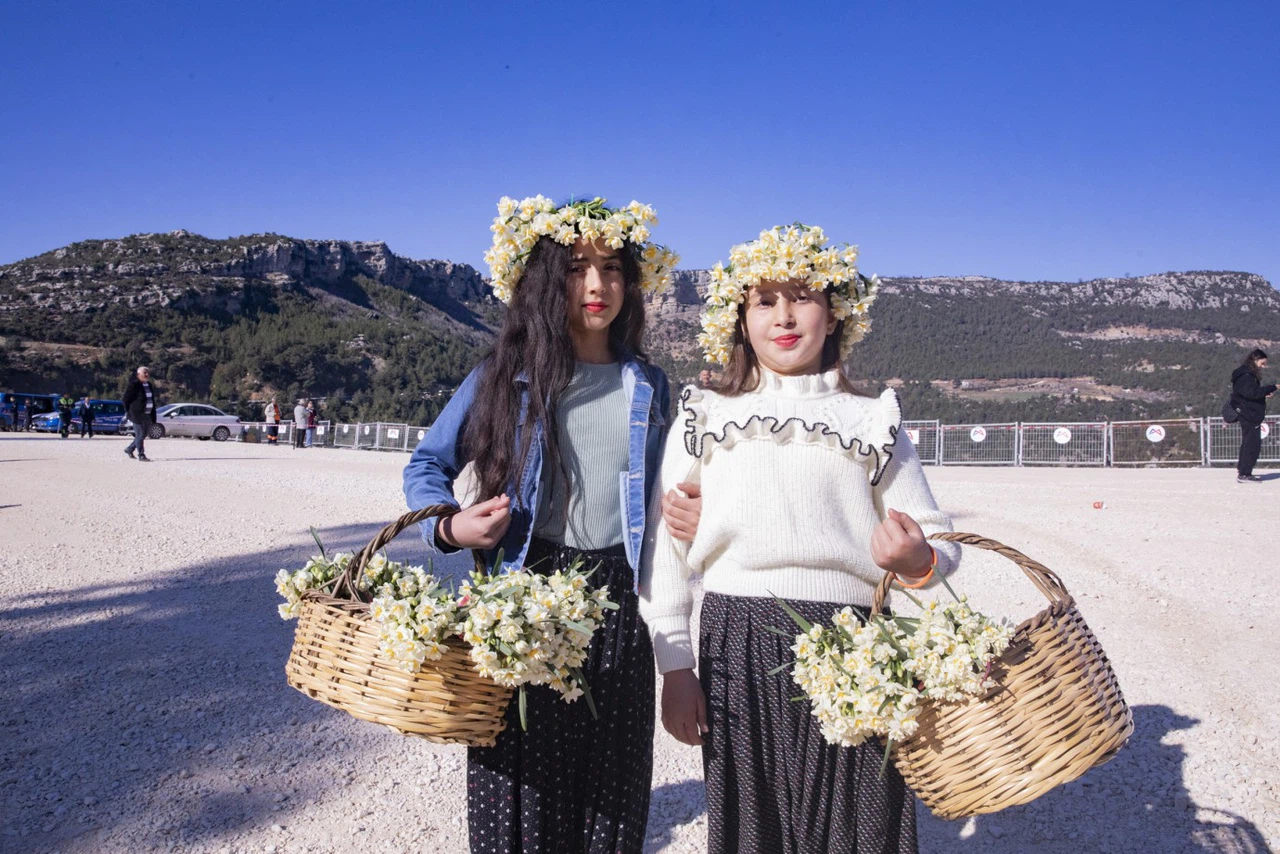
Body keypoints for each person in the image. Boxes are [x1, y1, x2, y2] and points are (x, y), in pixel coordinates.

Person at [640, 224, 961, 854]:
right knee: (755, 828)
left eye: (804, 297)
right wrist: (676, 667)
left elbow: (941, 545)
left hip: (855, 645)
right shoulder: (705, 416)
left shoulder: (874, 421)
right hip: (737, 642)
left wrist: (917, 558)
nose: (784, 317)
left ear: (836, 314)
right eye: (764, 301)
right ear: (739, 318)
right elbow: (668, 553)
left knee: (859, 828)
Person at [403, 194, 682, 854]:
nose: (596, 285)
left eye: (612, 268)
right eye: (575, 267)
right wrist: (450, 526)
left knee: (610, 794)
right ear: (542, 280)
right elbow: (427, 463)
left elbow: (673, 492)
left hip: (618, 608)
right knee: (520, 793)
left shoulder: (650, 384)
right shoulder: (504, 374)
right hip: (524, 598)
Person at [1231, 348, 1276, 483]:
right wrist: (1271, 387)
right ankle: (1245, 473)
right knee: (1252, 444)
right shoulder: (1247, 376)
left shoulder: (1243, 374)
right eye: (1262, 363)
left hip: (1245, 412)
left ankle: (1243, 471)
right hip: (1249, 414)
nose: (1263, 366)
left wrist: (1263, 394)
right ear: (1255, 360)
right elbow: (1251, 393)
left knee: (1248, 443)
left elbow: (1249, 393)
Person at [122, 367, 158, 462]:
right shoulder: (134, 385)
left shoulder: (148, 384)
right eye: (144, 373)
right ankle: (141, 455)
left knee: (143, 435)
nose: (147, 375)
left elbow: (151, 400)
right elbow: (125, 399)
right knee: (140, 434)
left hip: (148, 414)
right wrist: (128, 411)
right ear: (138, 374)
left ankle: (129, 449)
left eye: (147, 373)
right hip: (136, 414)